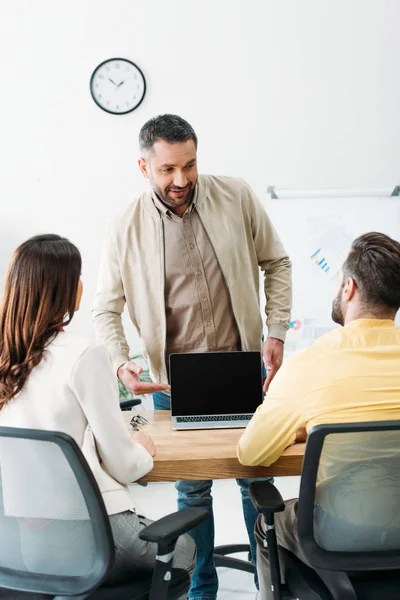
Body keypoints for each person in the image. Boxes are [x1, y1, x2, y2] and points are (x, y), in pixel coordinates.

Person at [92, 114, 292, 599]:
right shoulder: (125, 225)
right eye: (167, 170)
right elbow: (104, 308)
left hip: (243, 373)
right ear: (144, 167)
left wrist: (278, 331)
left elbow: (277, 261)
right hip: (173, 384)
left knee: (254, 482)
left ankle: (269, 582)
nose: (180, 180)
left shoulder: (236, 196)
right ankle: (203, 588)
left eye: (189, 165)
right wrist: (123, 362)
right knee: (193, 491)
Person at [0, 234, 195, 592]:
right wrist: (141, 448)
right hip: (80, 537)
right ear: (65, 290)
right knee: (182, 548)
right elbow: (124, 464)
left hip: (14, 546)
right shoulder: (83, 355)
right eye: (77, 277)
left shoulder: (5, 354)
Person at [237, 232, 400, 600]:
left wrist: (304, 430)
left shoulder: (309, 364)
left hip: (341, 531)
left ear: (349, 288)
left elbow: (251, 455)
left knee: (270, 522)